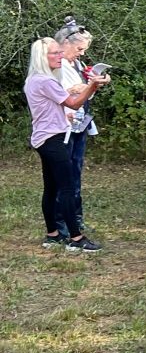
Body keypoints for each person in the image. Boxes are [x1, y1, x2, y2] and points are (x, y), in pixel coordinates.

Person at [25, 38, 108, 252]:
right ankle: (76, 239)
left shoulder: (34, 79)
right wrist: (92, 84)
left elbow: (73, 99)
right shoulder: (45, 81)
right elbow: (73, 102)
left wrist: (91, 87)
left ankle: (53, 235)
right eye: (54, 53)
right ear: (42, 57)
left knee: (51, 187)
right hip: (53, 139)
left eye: (59, 52)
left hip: (44, 138)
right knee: (67, 188)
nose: (59, 56)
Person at [53, 18, 98, 235]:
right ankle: (61, 222)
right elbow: (64, 91)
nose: (82, 53)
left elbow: (82, 92)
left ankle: (76, 218)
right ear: (66, 44)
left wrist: (92, 84)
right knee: (65, 177)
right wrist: (88, 85)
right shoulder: (55, 65)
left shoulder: (76, 63)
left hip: (80, 123)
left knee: (76, 172)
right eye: (79, 49)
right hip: (63, 125)